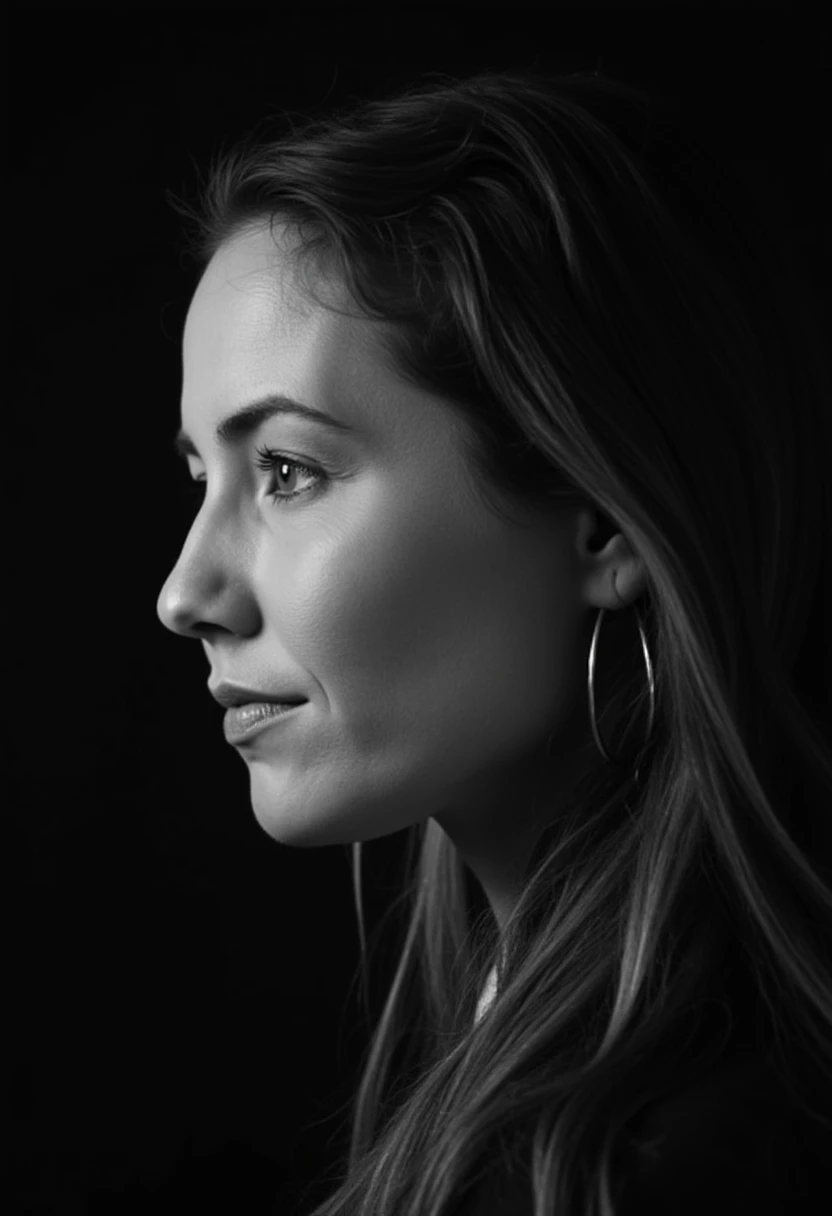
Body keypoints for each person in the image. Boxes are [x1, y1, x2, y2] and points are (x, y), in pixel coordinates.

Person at [155, 67, 832, 1215]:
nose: (187, 592)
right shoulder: (547, 1080)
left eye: (285, 471)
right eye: (198, 475)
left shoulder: (664, 1166)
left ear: (604, 515)